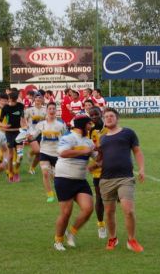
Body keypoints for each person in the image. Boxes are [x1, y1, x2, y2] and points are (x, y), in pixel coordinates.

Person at [99, 107, 145, 253]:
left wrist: (142, 168)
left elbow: (137, 151)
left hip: (125, 178)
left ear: (117, 118)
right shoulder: (103, 138)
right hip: (106, 179)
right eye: (106, 117)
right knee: (109, 212)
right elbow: (100, 159)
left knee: (129, 211)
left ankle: (131, 240)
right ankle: (113, 238)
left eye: (111, 116)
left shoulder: (128, 133)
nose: (108, 118)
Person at [52, 114, 96, 251]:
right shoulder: (68, 138)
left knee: (88, 208)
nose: (91, 127)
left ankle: (71, 232)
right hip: (64, 178)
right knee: (66, 213)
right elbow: (62, 153)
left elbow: (97, 157)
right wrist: (83, 151)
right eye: (89, 124)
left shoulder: (89, 142)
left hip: (80, 180)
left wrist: (105, 155)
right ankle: (58, 241)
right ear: (82, 125)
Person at [29, 101, 66, 203]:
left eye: (54, 109)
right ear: (46, 110)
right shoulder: (41, 124)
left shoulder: (61, 124)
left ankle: (61, 193)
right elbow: (33, 135)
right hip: (44, 152)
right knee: (45, 173)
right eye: (50, 109)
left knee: (56, 177)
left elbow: (65, 138)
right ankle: (50, 194)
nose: (52, 111)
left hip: (57, 154)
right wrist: (27, 136)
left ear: (56, 110)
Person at [87, 107, 108, 239]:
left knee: (115, 198)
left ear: (101, 114)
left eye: (96, 114)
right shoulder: (90, 131)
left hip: (112, 168)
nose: (94, 116)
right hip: (98, 169)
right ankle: (101, 224)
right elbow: (91, 149)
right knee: (99, 197)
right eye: (92, 115)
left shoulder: (109, 128)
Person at [0, 91, 27, 182]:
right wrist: (4, 126)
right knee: (10, 156)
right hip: (9, 133)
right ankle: (11, 174)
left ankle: (16, 172)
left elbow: (23, 119)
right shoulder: (5, 108)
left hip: (19, 133)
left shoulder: (21, 106)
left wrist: (25, 127)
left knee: (20, 155)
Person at [24, 91, 47, 174]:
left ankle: (32, 168)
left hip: (42, 133)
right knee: (37, 151)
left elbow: (47, 121)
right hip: (32, 133)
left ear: (42, 100)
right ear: (34, 99)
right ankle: (31, 152)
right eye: (36, 98)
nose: (38, 99)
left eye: (40, 97)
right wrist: (26, 128)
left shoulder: (45, 110)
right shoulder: (29, 110)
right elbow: (24, 120)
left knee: (39, 153)